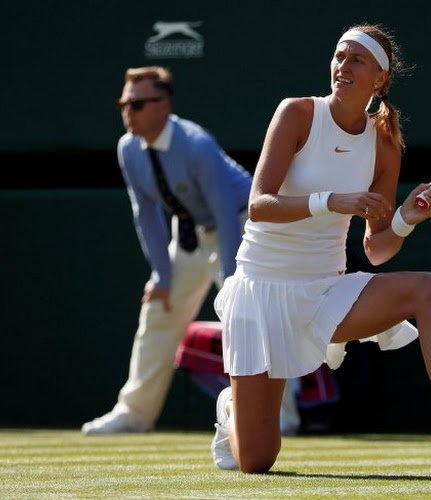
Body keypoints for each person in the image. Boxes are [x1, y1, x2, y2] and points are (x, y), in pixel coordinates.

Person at [209, 25, 431, 477]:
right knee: (257, 460)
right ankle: (232, 407)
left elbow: (378, 248)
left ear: (379, 80)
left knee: (429, 289)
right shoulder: (297, 113)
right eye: (339, 56)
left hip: (326, 291)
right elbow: (258, 206)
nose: (342, 66)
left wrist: (407, 217)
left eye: (356, 60)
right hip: (261, 292)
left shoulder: (384, 142)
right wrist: (332, 200)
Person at [82, 66, 301, 436]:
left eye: (136, 104)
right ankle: (135, 413)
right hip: (189, 234)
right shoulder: (128, 148)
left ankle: (283, 418)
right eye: (124, 103)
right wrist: (161, 276)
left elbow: (225, 216)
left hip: (243, 227)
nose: (127, 112)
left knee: (253, 318)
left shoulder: (196, 145)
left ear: (163, 106)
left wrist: (234, 281)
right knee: (158, 309)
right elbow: (146, 213)